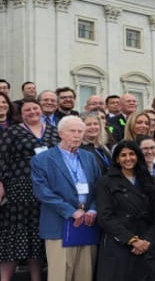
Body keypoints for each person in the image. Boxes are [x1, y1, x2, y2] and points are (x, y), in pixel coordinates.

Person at [0, 98, 59, 281]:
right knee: (12, 233)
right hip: (17, 188)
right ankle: (6, 278)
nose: (32, 112)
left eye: (35, 108)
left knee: (36, 235)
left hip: (44, 189)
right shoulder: (12, 132)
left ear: (41, 110)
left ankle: (36, 278)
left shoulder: (53, 131)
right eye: (27, 110)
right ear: (21, 113)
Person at [31, 116, 102, 281]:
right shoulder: (43, 159)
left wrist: (93, 208)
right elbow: (42, 192)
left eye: (80, 131)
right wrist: (71, 211)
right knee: (60, 275)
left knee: (85, 274)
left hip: (87, 223)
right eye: (73, 131)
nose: (77, 135)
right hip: (59, 223)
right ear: (60, 133)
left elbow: (100, 187)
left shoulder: (89, 157)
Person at [95, 140, 155, 281]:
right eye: (123, 155)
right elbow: (105, 216)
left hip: (145, 242)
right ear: (117, 159)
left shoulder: (149, 180)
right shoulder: (106, 181)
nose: (128, 158)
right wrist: (132, 240)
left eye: (132, 154)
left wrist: (146, 241)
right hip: (119, 241)